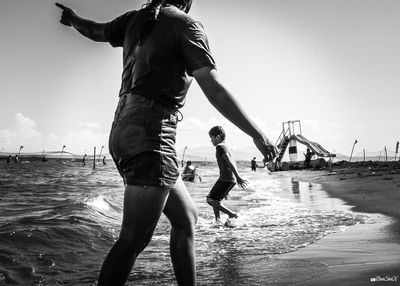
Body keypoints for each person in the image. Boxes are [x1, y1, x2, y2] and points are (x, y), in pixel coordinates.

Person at [55, 1, 276, 285]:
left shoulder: (135, 19)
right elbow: (213, 85)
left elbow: (96, 31)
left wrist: (72, 19)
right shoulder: (185, 25)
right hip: (151, 133)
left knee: (186, 220)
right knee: (133, 239)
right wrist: (257, 134)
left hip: (123, 128)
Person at [207, 126, 247, 227]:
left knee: (210, 199)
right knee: (216, 200)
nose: (211, 140)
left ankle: (232, 214)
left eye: (211, 137)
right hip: (229, 179)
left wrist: (238, 177)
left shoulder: (220, 147)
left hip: (226, 178)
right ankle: (218, 221)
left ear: (218, 137)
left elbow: (229, 161)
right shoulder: (228, 147)